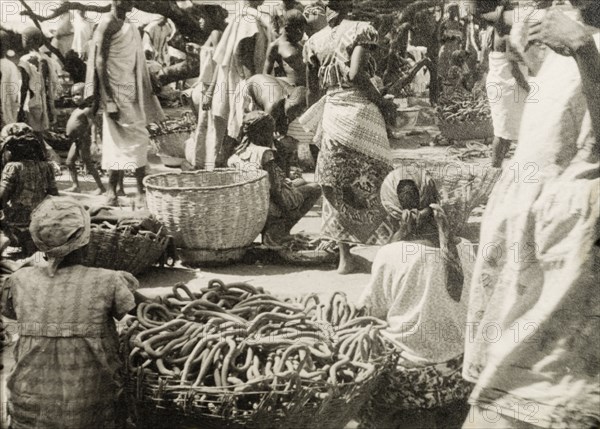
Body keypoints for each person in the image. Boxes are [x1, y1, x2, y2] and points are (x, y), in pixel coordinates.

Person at [463, 2, 600, 428]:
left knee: (551, 383)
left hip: (577, 238)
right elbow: (483, 11)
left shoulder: (578, 40)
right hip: (535, 222)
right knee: (509, 371)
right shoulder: (556, 26)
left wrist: (584, 53)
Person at [1, 196, 140, 429]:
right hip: (93, 412)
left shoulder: (18, 280)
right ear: (86, 241)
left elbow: (13, 315)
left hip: (28, 411)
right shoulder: (108, 280)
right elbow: (136, 311)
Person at [358, 168, 476, 429]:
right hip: (458, 375)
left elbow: (369, 312)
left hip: (407, 380)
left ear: (391, 210)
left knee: (362, 340)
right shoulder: (466, 247)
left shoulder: (391, 254)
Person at [301, 0, 396, 274]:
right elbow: (356, 75)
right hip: (360, 112)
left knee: (336, 183)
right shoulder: (361, 30)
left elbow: (312, 92)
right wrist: (384, 103)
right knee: (377, 177)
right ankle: (384, 252)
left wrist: (313, 127)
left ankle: (345, 259)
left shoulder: (314, 42)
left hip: (332, 114)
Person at [89, 0, 165, 207]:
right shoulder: (107, 23)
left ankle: (127, 189)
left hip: (132, 88)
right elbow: (100, 61)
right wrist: (109, 99)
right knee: (123, 139)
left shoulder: (129, 24)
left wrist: (149, 76)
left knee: (136, 137)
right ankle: (120, 189)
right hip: (115, 89)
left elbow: (135, 57)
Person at [228, 111, 321, 247]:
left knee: (300, 181)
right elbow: (275, 190)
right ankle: (277, 231)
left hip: (250, 204)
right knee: (315, 188)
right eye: (270, 132)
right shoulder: (265, 153)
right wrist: (287, 212)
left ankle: (275, 229)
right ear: (263, 133)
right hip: (268, 204)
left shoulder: (236, 154)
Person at [202, 0, 270, 170]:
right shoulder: (248, 20)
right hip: (244, 82)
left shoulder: (244, 18)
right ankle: (224, 171)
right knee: (239, 129)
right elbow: (242, 54)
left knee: (234, 130)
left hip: (238, 82)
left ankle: (223, 170)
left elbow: (224, 58)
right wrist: (253, 87)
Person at [0, 123, 58, 256]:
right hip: (40, 223)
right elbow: (54, 196)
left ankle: (9, 238)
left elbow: (1, 199)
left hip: (16, 223)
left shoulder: (13, 167)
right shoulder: (46, 167)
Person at [244, 74, 307, 177]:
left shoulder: (292, 100)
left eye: (298, 112)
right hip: (247, 92)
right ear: (287, 97)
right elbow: (266, 137)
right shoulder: (273, 104)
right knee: (261, 142)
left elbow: (283, 130)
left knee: (284, 143)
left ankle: (282, 174)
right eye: (293, 109)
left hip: (267, 89)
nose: (295, 114)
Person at [18, 26, 61, 134]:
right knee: (41, 133)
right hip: (45, 103)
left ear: (29, 41)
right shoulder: (47, 59)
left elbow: (24, 86)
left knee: (31, 134)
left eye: (23, 39)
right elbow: (49, 83)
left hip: (31, 103)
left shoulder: (25, 60)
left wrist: (20, 107)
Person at [64, 83, 105, 195]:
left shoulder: (87, 110)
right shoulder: (77, 109)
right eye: (73, 95)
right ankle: (76, 185)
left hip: (83, 139)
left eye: (78, 94)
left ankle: (101, 187)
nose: (75, 97)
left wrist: (94, 141)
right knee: (69, 162)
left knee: (88, 163)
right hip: (76, 141)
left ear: (85, 95)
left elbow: (93, 125)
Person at [264, 9, 307, 87]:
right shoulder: (275, 46)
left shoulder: (300, 45)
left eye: (303, 30)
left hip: (305, 87)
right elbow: (265, 76)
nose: (302, 34)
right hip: (289, 90)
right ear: (287, 28)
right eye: (299, 30)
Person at [0, 30, 21, 128]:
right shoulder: (10, 65)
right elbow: (15, 93)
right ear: (6, 46)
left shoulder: (10, 65)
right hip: (5, 108)